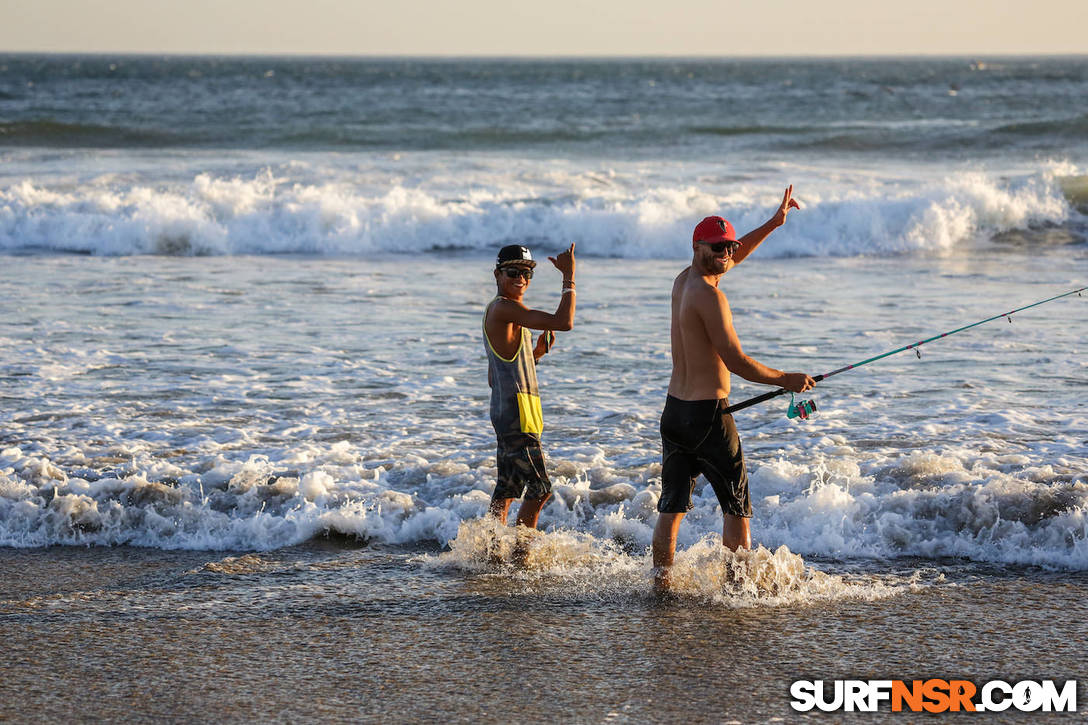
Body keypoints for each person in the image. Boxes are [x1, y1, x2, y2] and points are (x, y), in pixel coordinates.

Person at [653, 186, 815, 591]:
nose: (726, 254)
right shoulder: (710, 297)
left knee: (671, 510)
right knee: (737, 510)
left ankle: (661, 587)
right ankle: (738, 590)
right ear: (697, 246)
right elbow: (738, 363)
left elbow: (732, 257)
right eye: (717, 248)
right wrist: (787, 379)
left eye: (729, 247)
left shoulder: (683, 281)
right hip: (708, 417)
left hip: (674, 413)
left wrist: (774, 224)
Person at [483, 242, 577, 542]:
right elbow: (564, 322)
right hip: (517, 419)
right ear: (497, 274)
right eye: (513, 272)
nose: (521, 279)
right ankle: (521, 555)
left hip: (510, 414)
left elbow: (493, 376)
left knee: (507, 490)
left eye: (526, 273)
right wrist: (569, 277)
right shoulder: (505, 309)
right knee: (540, 490)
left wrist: (535, 354)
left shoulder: (506, 316)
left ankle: (490, 551)